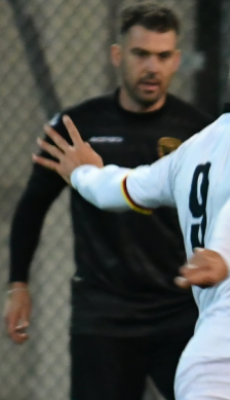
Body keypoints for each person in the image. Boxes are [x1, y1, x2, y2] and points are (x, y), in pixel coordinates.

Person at [33, 17, 230, 400]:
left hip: (219, 364)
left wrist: (84, 174)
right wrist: (221, 253)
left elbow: (120, 189)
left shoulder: (195, 148)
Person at [3, 3, 212, 400]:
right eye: (141, 54)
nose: (151, 67)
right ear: (118, 55)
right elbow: (32, 207)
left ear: (176, 60)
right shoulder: (77, 128)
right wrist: (18, 285)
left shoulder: (199, 132)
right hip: (104, 314)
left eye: (162, 56)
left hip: (179, 310)